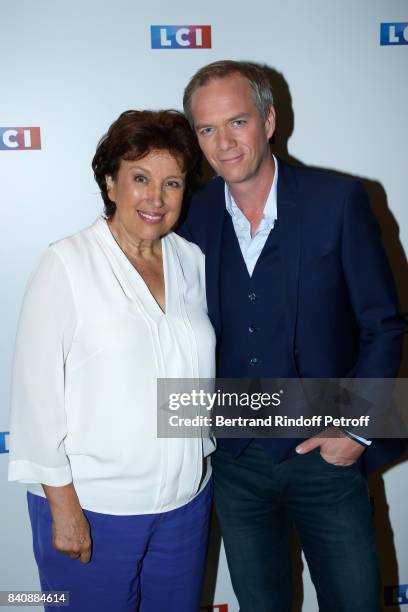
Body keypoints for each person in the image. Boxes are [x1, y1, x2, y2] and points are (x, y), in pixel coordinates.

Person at [179, 60, 406, 611]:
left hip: (327, 454)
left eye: (237, 122)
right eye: (207, 129)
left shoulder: (339, 201)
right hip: (237, 464)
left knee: (355, 603)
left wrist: (354, 430)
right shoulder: (190, 214)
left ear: (269, 120)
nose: (223, 142)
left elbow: (384, 324)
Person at [8, 109, 216, 612]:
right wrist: (64, 508)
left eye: (172, 182)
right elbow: (35, 394)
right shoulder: (68, 262)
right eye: (140, 178)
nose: (156, 198)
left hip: (185, 505)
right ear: (110, 182)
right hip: (94, 509)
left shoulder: (190, 260)